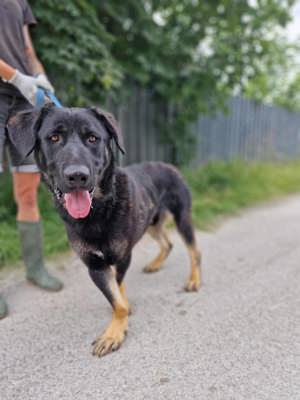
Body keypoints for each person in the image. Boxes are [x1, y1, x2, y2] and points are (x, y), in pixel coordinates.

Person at [0, 0, 63, 319]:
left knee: (27, 191)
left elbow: (27, 49)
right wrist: (15, 77)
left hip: (24, 102)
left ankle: (35, 269)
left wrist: (39, 76)